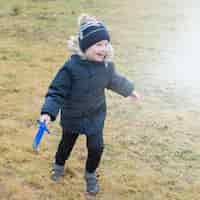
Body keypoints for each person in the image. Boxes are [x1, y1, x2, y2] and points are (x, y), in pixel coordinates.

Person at [39, 14, 141, 195]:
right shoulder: (70, 68)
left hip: (95, 115)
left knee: (96, 147)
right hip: (73, 116)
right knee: (66, 143)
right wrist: (48, 112)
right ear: (85, 46)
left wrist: (129, 90)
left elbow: (114, 81)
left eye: (105, 44)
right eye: (98, 45)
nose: (103, 49)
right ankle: (59, 165)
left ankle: (90, 174)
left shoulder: (106, 66)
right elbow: (56, 91)